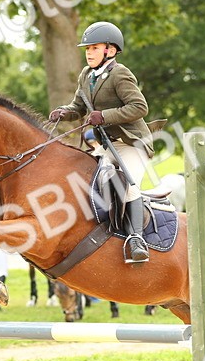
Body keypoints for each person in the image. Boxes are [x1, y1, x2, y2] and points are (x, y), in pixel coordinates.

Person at [48, 21, 153, 263]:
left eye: (94, 48)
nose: (89, 53)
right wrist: (64, 112)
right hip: (106, 144)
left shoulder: (121, 74)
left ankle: (137, 239)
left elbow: (140, 107)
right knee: (89, 180)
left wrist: (104, 116)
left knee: (126, 184)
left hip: (131, 143)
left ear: (111, 50)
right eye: (87, 49)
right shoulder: (86, 76)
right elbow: (78, 107)